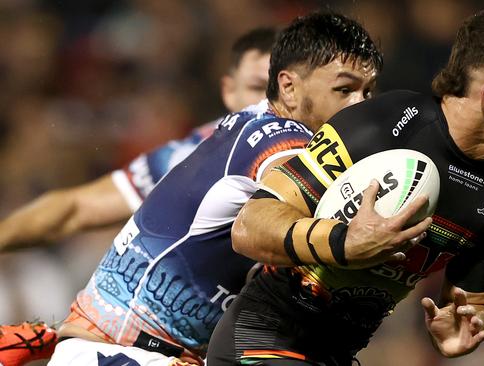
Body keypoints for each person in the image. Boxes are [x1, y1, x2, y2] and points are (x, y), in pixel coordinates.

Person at [207, 8, 484, 365]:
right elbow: (250, 226)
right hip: (259, 341)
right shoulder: (382, 127)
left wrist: (461, 327)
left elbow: (473, 302)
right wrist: (343, 242)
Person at [47, 12, 386, 366]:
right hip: (123, 354)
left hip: (104, 348)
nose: (360, 105)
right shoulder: (289, 144)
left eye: (368, 91)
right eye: (344, 90)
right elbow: (282, 180)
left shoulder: (247, 123)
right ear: (288, 87)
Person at [0, 27, 276, 366]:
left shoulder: (320, 169)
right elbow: (76, 208)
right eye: (257, 88)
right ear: (228, 90)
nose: (268, 104)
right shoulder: (191, 158)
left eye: (277, 89)